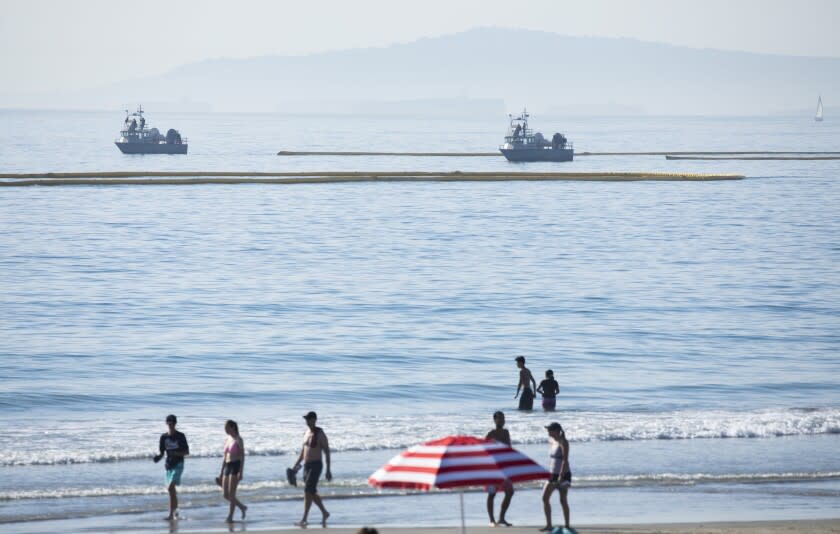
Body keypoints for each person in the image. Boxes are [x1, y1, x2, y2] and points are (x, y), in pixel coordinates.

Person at [292, 411, 332, 526]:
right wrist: (295, 466)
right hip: (306, 466)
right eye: (306, 419)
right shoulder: (305, 433)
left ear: (314, 420)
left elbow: (327, 451)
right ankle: (324, 512)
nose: (307, 421)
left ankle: (304, 519)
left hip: (316, 465)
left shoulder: (320, 433)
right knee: (312, 491)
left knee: (307, 490)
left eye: (308, 419)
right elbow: (302, 453)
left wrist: (328, 469)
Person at [153, 414, 190, 521]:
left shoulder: (180, 436)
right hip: (168, 465)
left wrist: (176, 453)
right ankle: (175, 514)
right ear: (166, 423)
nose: (170, 424)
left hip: (178, 464)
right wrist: (158, 458)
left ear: (175, 423)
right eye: (168, 422)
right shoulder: (163, 437)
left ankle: (171, 514)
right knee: (171, 491)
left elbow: (187, 452)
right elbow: (162, 453)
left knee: (170, 488)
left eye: (172, 422)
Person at [540, 422, 572, 532]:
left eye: (550, 430)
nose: (548, 431)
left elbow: (565, 460)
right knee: (544, 498)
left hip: (562, 474)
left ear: (557, 430)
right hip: (552, 474)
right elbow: (553, 459)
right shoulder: (552, 441)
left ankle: (567, 525)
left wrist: (561, 476)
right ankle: (549, 525)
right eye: (548, 429)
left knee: (563, 500)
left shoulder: (564, 442)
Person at [485, 411, 514, 527]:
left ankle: (502, 518)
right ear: (495, 420)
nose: (502, 421)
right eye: (500, 419)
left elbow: (509, 448)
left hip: (505, 467)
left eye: (503, 419)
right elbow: (484, 450)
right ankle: (492, 520)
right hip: (492, 468)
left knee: (510, 492)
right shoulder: (490, 434)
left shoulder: (506, 433)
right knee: (492, 493)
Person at [217, 420, 247, 522]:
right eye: (225, 428)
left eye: (227, 428)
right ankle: (242, 507)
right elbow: (224, 457)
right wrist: (221, 472)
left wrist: (241, 472)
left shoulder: (239, 439)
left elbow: (242, 456)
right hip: (227, 466)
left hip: (236, 465)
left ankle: (230, 516)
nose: (225, 430)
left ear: (233, 427)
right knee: (225, 494)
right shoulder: (227, 439)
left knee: (232, 493)